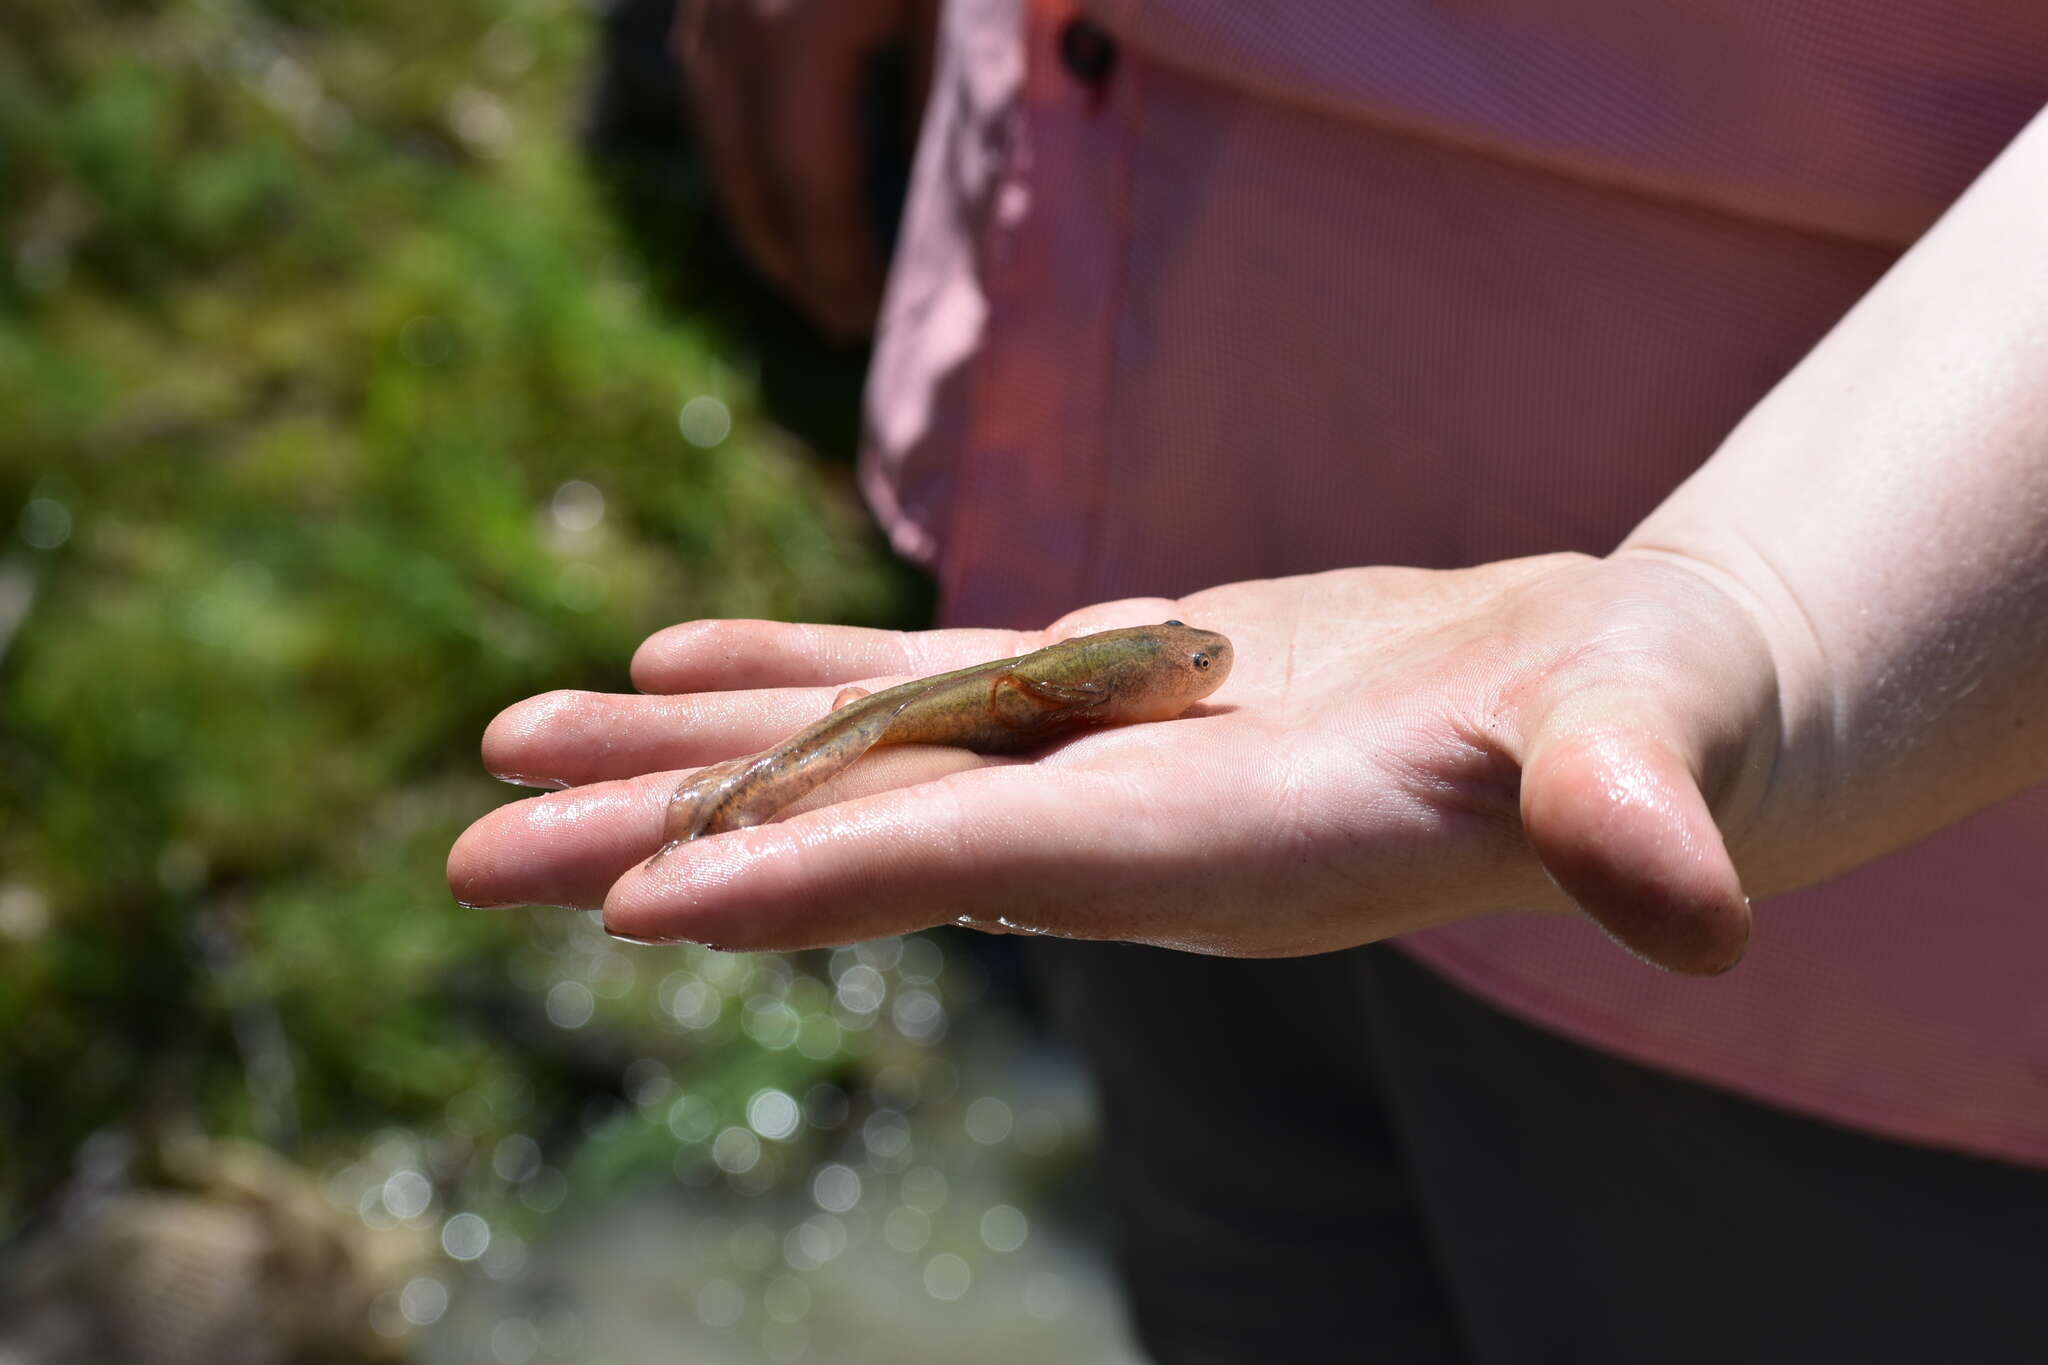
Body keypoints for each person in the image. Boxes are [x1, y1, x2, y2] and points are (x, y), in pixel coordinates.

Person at [450, 0, 2048, 1358]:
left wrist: (1777, 608)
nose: (1193, 669)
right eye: (1186, 663)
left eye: (1193, 664)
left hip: (1876, 923)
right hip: (1127, 512)